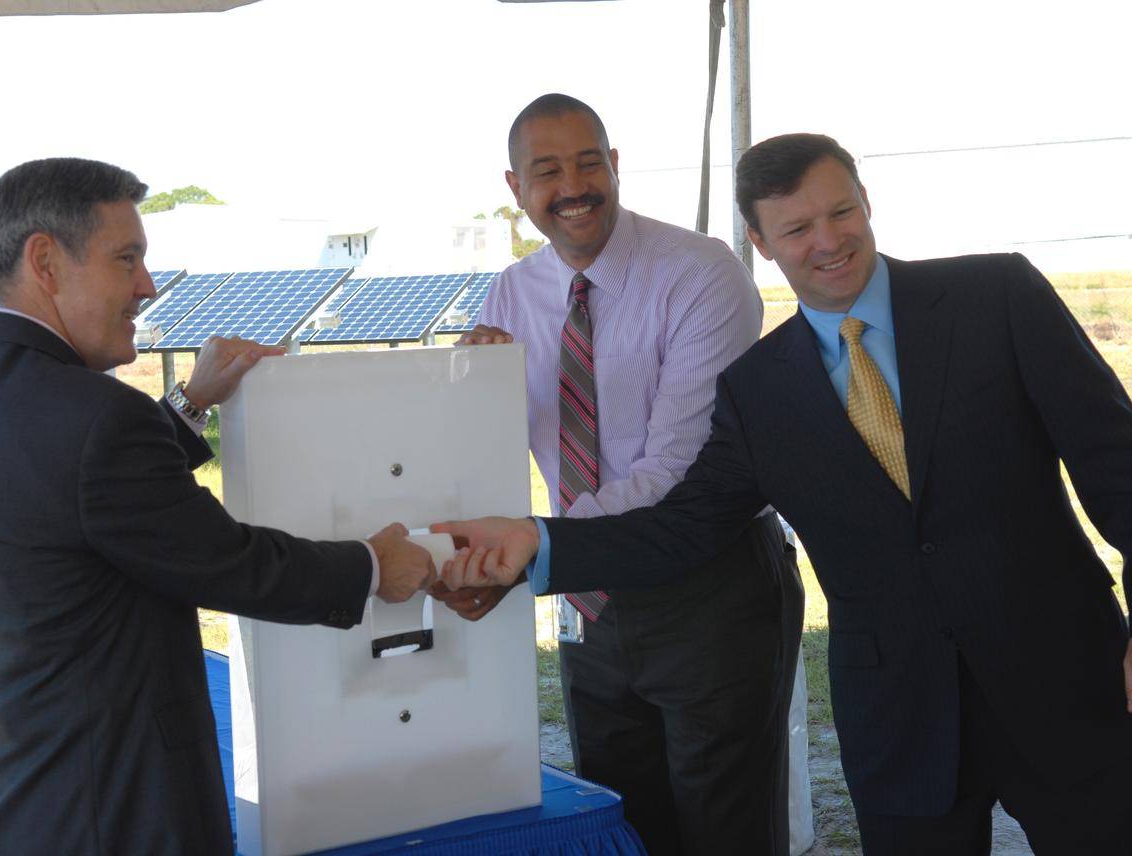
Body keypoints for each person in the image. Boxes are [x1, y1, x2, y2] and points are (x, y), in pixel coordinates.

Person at [436, 132, 1132, 855]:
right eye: (797, 229)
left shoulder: (997, 297)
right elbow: (685, 526)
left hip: (1068, 685)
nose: (828, 241)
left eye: (841, 213)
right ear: (762, 243)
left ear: (867, 203)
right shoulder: (757, 390)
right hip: (899, 719)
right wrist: (539, 542)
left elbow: (1117, 464)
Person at [0, 157, 437, 856]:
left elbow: (79, 500)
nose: (147, 286)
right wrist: (374, 566)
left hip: (14, 801)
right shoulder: (96, 418)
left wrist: (188, 402)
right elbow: (227, 561)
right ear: (46, 262)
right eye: (127, 259)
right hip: (116, 812)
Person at [431, 93, 803, 855]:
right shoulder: (511, 293)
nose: (574, 187)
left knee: (724, 831)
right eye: (547, 171)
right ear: (516, 187)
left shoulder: (700, 273)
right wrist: (472, 392)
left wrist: (538, 551)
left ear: (616, 164)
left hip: (708, 590)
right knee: (620, 822)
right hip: (590, 605)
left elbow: (679, 467)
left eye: (588, 163)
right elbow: (497, 447)